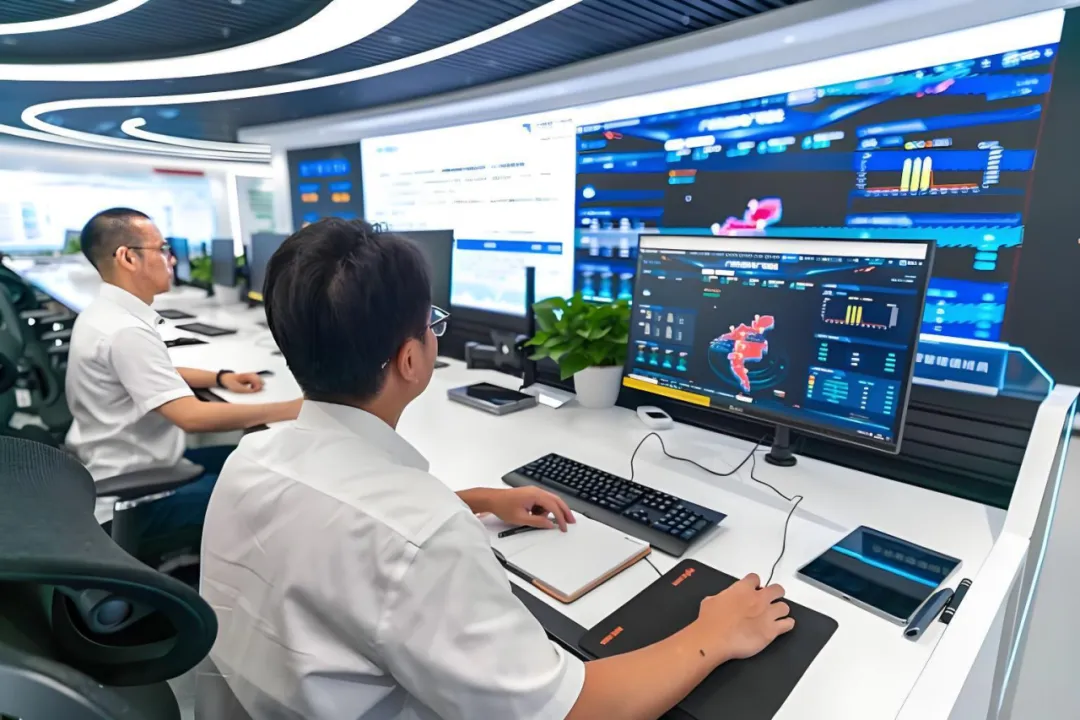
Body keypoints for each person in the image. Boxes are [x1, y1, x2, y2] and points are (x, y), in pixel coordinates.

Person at [200, 218, 794, 720]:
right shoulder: (423, 539)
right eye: (431, 323)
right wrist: (712, 635)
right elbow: (576, 710)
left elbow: (342, 519)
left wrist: (477, 499)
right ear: (410, 359)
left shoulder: (253, 456)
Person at [66, 208, 301, 565]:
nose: (172, 259)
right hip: (137, 497)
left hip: (123, 469)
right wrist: (291, 408)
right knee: (277, 487)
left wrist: (220, 378)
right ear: (128, 257)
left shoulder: (104, 315)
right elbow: (191, 417)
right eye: (162, 249)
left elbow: (151, 371)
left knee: (260, 459)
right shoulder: (125, 331)